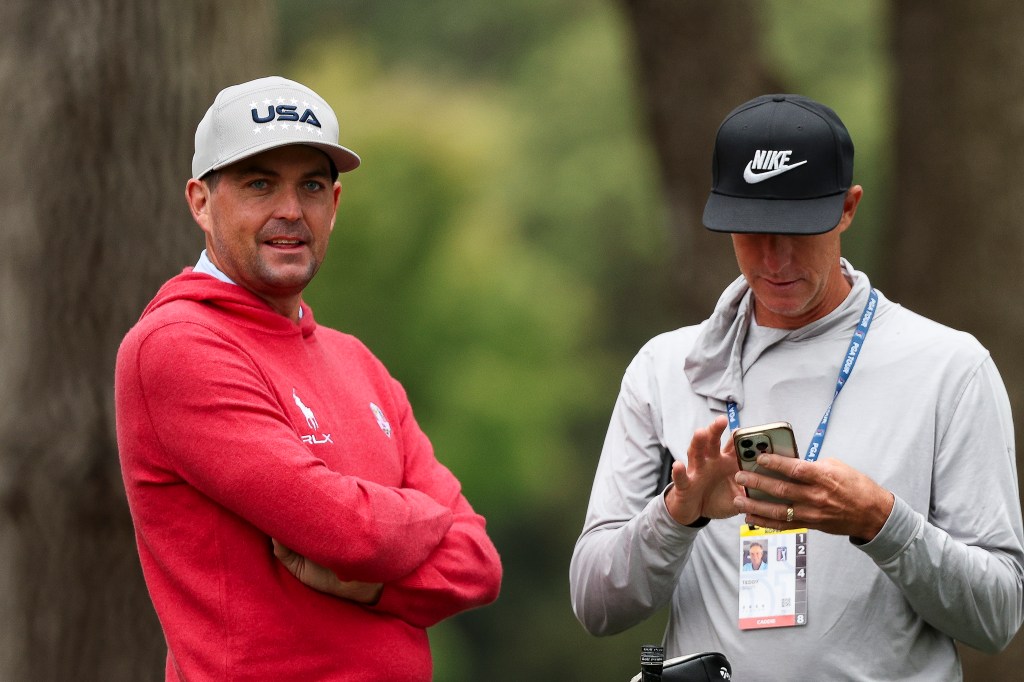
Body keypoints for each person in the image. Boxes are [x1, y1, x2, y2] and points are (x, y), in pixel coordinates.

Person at [570, 94, 1024, 680]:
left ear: (847, 208)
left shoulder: (951, 367)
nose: (775, 257)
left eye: (797, 227)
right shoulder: (663, 367)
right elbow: (594, 605)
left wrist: (881, 522)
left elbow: (998, 616)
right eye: (753, 230)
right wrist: (676, 517)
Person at [115, 76, 502, 681]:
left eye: (312, 186)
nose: (290, 210)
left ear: (335, 206)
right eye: (259, 183)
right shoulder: (176, 346)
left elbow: (478, 564)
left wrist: (372, 590)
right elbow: (343, 532)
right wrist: (428, 517)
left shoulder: (357, 361)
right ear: (199, 201)